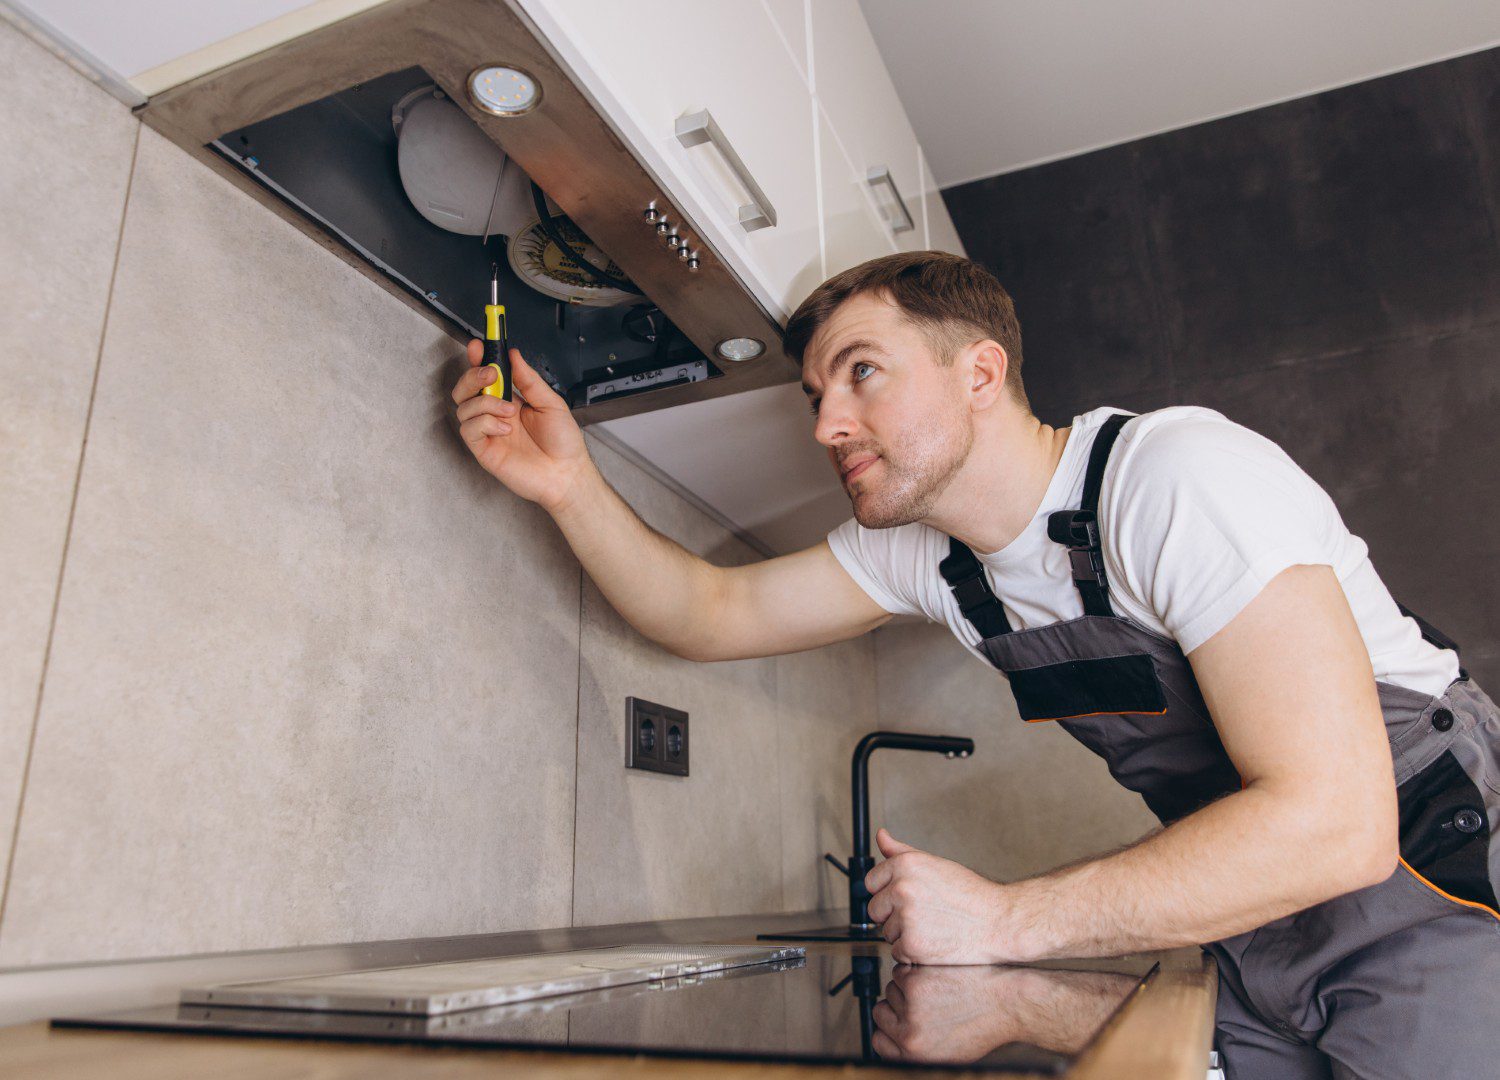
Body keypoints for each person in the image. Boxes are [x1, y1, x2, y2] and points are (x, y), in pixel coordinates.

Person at [452, 250, 1500, 1079]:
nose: (826, 423)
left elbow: (1336, 825)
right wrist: (569, 485)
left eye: (861, 371)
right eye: (816, 393)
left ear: (981, 372)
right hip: (1266, 928)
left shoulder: (1174, 478)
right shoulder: (930, 560)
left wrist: (1004, 921)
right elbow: (706, 609)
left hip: (1435, 890)